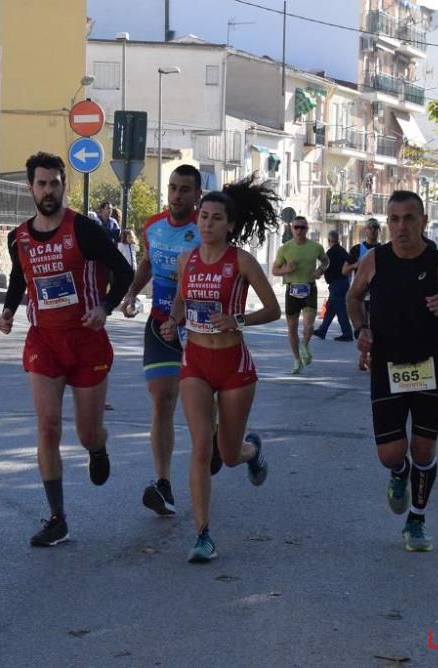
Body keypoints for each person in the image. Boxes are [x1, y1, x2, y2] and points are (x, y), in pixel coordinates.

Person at [0, 152, 134, 547]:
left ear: (63, 185)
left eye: (55, 183)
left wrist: (104, 308)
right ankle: (57, 517)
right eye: (41, 184)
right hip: (44, 341)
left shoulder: (86, 230)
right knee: (48, 426)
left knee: (86, 432)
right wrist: (7, 310)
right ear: (30, 187)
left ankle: (98, 446)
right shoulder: (18, 236)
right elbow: (19, 278)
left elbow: (123, 272)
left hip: (86, 340)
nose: (48, 190)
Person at [160, 176, 282, 563]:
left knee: (227, 455)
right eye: (204, 217)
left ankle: (252, 451)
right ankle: (203, 534)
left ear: (229, 225)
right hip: (195, 360)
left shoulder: (241, 261)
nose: (207, 224)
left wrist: (238, 320)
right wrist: (172, 320)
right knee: (200, 447)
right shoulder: (187, 260)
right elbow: (181, 302)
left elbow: (273, 309)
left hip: (233, 365)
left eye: (216, 219)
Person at [346, 191, 438, 553]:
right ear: (387, 223)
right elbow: (353, 299)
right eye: (394, 219)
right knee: (391, 453)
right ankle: (399, 473)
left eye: (409, 218)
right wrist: (360, 329)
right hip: (387, 365)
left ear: (423, 221)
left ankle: (416, 520)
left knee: (424, 447)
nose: (401, 226)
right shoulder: (374, 261)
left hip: (429, 364)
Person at [122, 165, 218, 517]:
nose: (177, 196)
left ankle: (217, 436)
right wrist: (132, 291)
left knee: (202, 405)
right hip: (160, 323)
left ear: (197, 195)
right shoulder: (153, 226)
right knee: (162, 398)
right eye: (173, 188)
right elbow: (147, 262)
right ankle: (163, 484)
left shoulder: (205, 230)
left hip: (198, 329)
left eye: (184, 190)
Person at [271, 216, 329, 374]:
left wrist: (320, 270)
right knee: (292, 328)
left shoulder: (316, 247)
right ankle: (297, 359)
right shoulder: (285, 249)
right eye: (296, 227)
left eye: (302, 227)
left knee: (309, 326)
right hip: (292, 290)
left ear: (307, 229)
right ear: (291, 228)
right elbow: (274, 270)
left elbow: (325, 261)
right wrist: (286, 270)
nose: (299, 230)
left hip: (309, 288)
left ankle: (304, 344)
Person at [343, 218, 381, 369]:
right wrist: (356, 264)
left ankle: (369, 356)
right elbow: (344, 270)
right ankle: (364, 354)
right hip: (359, 296)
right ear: (365, 230)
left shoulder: (383, 250)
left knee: (376, 328)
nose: (373, 230)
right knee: (363, 327)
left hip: (377, 295)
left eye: (376, 228)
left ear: (379, 230)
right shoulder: (357, 249)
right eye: (370, 227)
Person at [313, 230, 353, 341]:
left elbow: (323, 266)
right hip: (344, 282)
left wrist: (315, 274)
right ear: (338, 240)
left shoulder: (330, 253)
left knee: (340, 309)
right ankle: (322, 330)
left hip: (336, 284)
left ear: (329, 240)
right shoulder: (343, 251)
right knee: (331, 308)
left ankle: (347, 333)